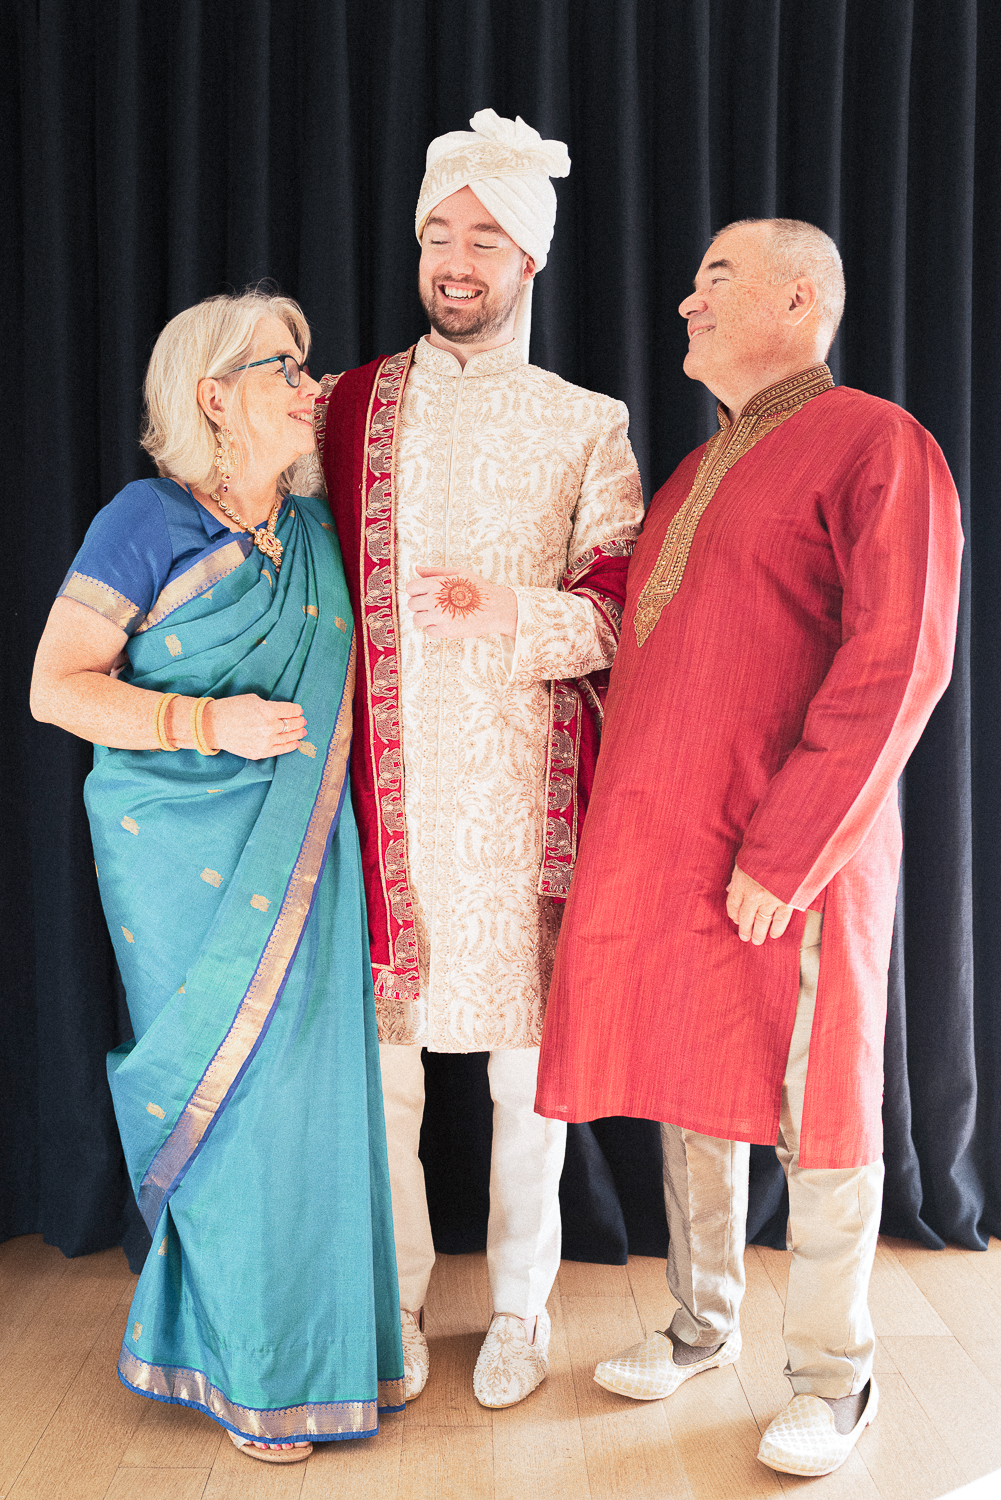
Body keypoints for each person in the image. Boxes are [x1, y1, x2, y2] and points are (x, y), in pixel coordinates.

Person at [535, 219, 963, 1476]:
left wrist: (789, 851)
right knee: (692, 1081)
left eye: (713, 280)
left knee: (814, 1104)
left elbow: (898, 663)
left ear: (798, 297)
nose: (683, 302)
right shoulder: (692, 471)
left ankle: (837, 1379)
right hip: (677, 847)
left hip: (797, 855)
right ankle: (701, 1322)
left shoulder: (878, 442)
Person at [30, 290, 404, 1464]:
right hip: (179, 854)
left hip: (306, 854)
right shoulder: (144, 521)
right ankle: (252, 1379)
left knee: (314, 1101)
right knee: (234, 1104)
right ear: (213, 396)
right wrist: (206, 725)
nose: (310, 385)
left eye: (306, 366)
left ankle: (330, 1359)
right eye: (284, 367)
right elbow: (57, 688)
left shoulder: (309, 534)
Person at [310, 109, 644, 1409]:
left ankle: (519, 1310)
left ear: (530, 263)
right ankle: (394, 1301)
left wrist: (512, 614)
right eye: (438, 233)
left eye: (484, 237)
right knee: (383, 1079)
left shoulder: (585, 423)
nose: (456, 258)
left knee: (526, 1087)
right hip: (375, 793)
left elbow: (622, 617)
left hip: (522, 797)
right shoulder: (347, 407)